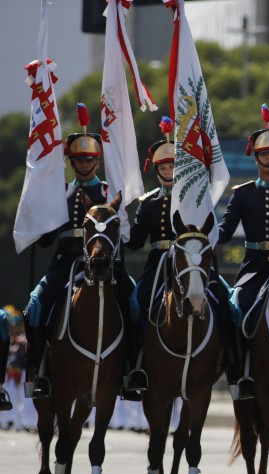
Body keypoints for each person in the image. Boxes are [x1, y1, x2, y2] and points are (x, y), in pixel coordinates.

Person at [22, 103, 135, 399]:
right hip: (66, 264)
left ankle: (131, 370)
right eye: (78, 160)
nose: (84, 165)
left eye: (89, 160)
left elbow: (125, 235)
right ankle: (39, 371)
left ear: (97, 161)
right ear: (71, 162)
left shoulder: (110, 193)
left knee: (137, 304)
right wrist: (38, 218)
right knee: (34, 306)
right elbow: (47, 242)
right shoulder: (59, 192)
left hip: (105, 263)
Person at [217, 104, 269, 400]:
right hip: (253, 267)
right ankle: (240, 371)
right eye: (265, 154)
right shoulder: (242, 194)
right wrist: (204, 229)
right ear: (257, 157)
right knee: (236, 309)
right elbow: (224, 232)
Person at [124, 117, 177, 392]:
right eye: (164, 167)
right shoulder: (148, 203)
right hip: (157, 265)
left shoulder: (191, 197)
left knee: (224, 303)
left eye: (173, 166)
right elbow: (134, 242)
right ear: (156, 170)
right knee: (135, 304)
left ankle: (230, 365)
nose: (169, 171)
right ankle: (135, 368)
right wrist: (119, 226)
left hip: (186, 262)